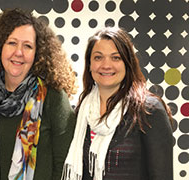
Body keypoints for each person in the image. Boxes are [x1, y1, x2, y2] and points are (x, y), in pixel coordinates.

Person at [0, 8, 77, 180]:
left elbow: (65, 162)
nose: (19, 52)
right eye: (12, 43)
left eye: (28, 46)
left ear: (37, 53)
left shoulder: (53, 96)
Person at [62, 27, 174, 180]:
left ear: (127, 63)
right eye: (98, 57)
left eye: (116, 58)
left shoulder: (149, 110)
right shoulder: (83, 111)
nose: (106, 65)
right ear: (89, 65)